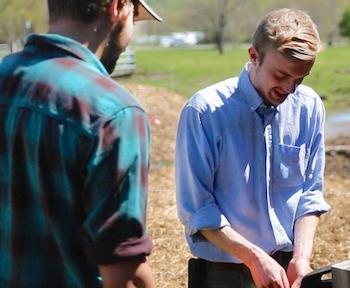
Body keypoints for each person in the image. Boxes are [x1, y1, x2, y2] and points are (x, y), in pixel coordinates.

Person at [0, 0, 162, 287]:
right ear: (117, 7)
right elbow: (119, 271)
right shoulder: (115, 113)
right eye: (134, 18)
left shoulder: (5, 76)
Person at [175, 8, 330, 288]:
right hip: (225, 272)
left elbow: (310, 193)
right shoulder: (205, 112)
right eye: (281, 75)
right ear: (254, 56)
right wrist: (254, 258)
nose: (290, 89)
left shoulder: (309, 106)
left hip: (289, 267)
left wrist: (301, 258)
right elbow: (199, 209)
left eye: (300, 79)